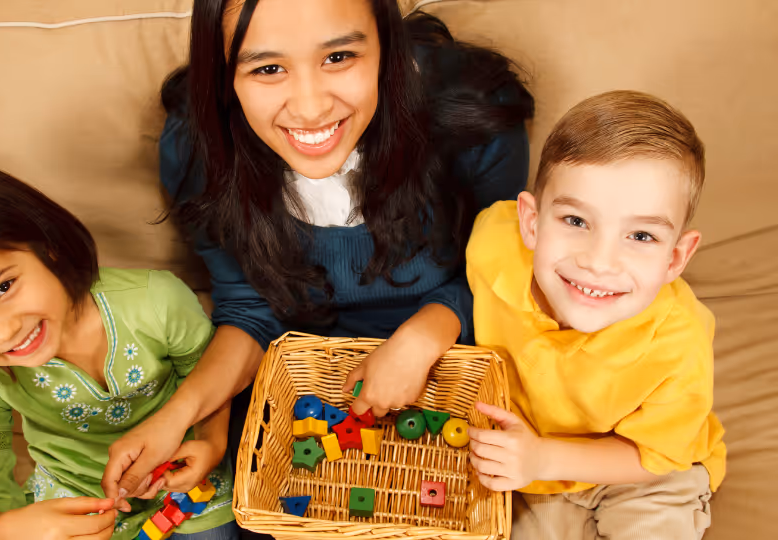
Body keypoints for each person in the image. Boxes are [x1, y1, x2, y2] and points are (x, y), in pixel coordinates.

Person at [101, 0, 535, 499]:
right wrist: (177, 417)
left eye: (339, 58)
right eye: (267, 68)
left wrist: (422, 337)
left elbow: (503, 270)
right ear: (225, 78)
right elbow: (248, 309)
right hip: (305, 386)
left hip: (453, 365)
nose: (310, 108)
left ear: (385, 46)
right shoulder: (196, 146)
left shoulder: (473, 116)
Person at [0, 160, 238, 540]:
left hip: (188, 488)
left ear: (47, 247)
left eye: (4, 287)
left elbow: (215, 373)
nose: (4, 331)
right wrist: (10, 528)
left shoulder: (155, 301)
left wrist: (212, 443)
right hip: (73, 514)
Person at [465, 91, 726, 539]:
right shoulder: (493, 244)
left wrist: (545, 457)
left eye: (641, 236)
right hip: (532, 468)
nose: (599, 262)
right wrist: (535, 461)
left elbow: (655, 456)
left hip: (641, 472)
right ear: (531, 222)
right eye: (576, 222)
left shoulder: (679, 342)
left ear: (675, 258)